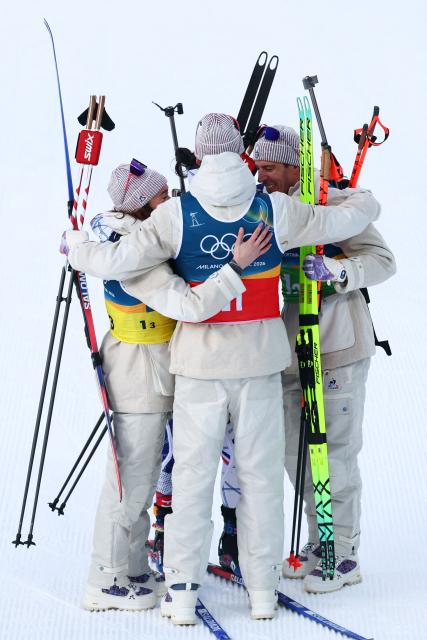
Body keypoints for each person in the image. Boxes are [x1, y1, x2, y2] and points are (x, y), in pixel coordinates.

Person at [64, 113, 380, 624]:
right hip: (260, 364)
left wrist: (78, 248)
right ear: (242, 152)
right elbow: (355, 218)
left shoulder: (175, 215)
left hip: (197, 367)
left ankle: (182, 593)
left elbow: (117, 261)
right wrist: (344, 192)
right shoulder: (276, 209)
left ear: (199, 155)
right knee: (259, 480)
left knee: (190, 480)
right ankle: (261, 591)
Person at [62, 159, 271, 612]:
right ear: (140, 208)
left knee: (143, 474)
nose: (170, 202)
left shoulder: (127, 237)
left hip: (152, 367)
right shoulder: (132, 253)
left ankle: (133, 569)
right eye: (161, 198)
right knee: (130, 479)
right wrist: (234, 267)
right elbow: (190, 305)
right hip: (139, 371)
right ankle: (108, 579)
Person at [251, 124, 396, 593]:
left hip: (336, 347)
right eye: (257, 166)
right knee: (298, 456)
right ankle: (321, 541)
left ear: (295, 164)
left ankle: (345, 552)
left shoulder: (330, 204)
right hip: (288, 351)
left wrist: (337, 271)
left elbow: (383, 259)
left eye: (269, 166)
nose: (261, 174)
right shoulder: (266, 207)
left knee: (334, 454)